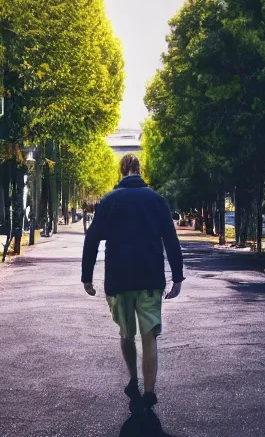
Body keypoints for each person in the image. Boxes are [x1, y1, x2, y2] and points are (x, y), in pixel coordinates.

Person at [81, 153, 185, 417]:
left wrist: (87, 276)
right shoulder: (156, 200)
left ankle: (133, 379)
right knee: (149, 335)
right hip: (150, 277)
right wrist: (177, 276)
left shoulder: (109, 201)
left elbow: (92, 239)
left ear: (121, 171)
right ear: (139, 170)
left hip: (119, 278)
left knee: (126, 334)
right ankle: (150, 391)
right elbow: (171, 240)